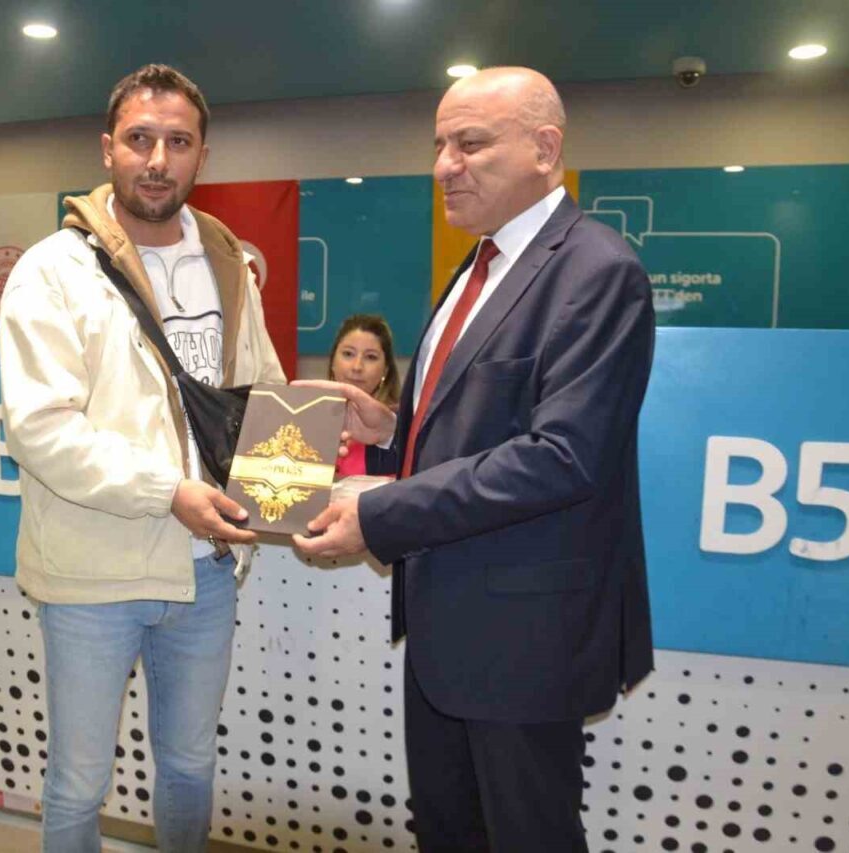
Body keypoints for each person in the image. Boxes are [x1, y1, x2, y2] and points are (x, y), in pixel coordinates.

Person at [295, 67, 655, 852]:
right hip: (445, 634)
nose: (443, 167)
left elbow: (562, 457)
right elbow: (474, 426)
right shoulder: (480, 264)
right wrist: (390, 429)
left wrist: (378, 513)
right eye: (438, 145)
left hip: (526, 641)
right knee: (449, 832)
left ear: (544, 149)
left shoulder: (598, 272)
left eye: (469, 143)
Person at [0, 64, 284, 853]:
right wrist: (169, 492)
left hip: (206, 571)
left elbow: (261, 391)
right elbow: (41, 430)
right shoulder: (52, 271)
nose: (158, 159)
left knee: (190, 765)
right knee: (79, 781)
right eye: (140, 139)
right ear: (108, 149)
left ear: (202, 155)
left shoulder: (228, 264)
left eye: (178, 142)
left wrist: (316, 420)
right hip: (93, 573)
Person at [325, 314, 399, 478]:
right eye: (348, 354)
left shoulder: (398, 428)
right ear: (333, 363)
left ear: (386, 370)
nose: (357, 367)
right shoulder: (307, 416)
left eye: (370, 357)